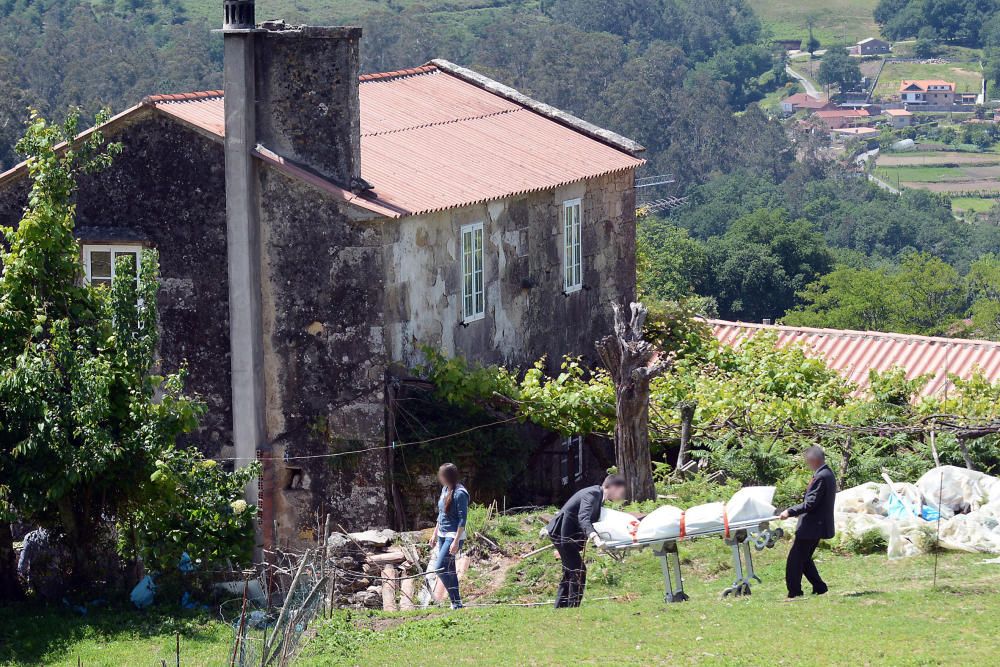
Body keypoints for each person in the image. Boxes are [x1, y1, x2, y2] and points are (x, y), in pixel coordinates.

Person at [546, 474, 628, 608]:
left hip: (565, 534)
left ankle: (561, 607)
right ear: (613, 487)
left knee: (570, 571)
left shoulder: (599, 498)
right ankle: (572, 607)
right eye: (621, 491)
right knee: (578, 570)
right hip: (562, 533)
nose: (622, 496)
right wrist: (594, 537)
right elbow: (583, 517)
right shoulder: (593, 494)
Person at [779, 446, 836, 599]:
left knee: (795, 561)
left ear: (814, 460)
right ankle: (820, 587)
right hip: (815, 525)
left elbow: (810, 503)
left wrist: (790, 511)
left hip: (812, 525)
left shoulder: (821, 477)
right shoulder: (827, 473)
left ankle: (795, 592)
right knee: (804, 559)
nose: (807, 464)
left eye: (807, 461)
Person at [428, 462, 469, 609]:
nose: (439, 477)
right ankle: (456, 603)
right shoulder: (445, 489)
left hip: (453, 535)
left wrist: (456, 541)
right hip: (442, 534)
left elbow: (462, 519)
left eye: (441, 474)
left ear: (447, 476)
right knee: (450, 569)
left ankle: (455, 601)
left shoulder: (460, 493)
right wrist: (434, 534)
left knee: (440, 567)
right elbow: (441, 514)